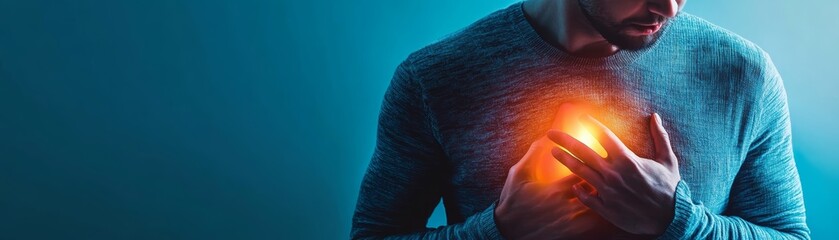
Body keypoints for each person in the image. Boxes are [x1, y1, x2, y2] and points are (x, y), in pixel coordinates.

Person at [351, 0, 810, 239]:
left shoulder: (743, 75)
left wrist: (679, 220)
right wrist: (499, 231)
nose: (668, 6)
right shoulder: (435, 79)